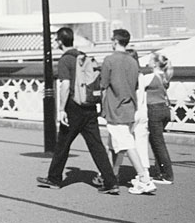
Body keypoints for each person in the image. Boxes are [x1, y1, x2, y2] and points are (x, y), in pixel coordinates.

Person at [36, 27, 118, 193]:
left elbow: (65, 85)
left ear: (59, 41)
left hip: (73, 107)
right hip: (89, 106)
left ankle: (54, 178)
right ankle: (111, 182)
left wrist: (61, 109)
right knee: (97, 146)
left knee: (63, 144)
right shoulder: (82, 57)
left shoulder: (65, 60)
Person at [100, 29, 155, 195]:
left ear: (115, 41)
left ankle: (144, 178)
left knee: (125, 143)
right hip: (130, 107)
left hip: (114, 108)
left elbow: (103, 85)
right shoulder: (132, 62)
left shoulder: (109, 60)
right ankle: (110, 175)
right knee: (115, 143)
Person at [145, 52, 175, 184]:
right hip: (164, 110)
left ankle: (167, 175)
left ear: (156, 63)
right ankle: (159, 171)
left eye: (151, 60)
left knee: (158, 142)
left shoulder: (150, 77)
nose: (149, 61)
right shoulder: (165, 77)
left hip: (154, 110)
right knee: (155, 140)